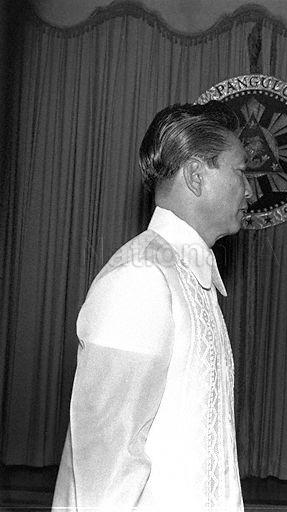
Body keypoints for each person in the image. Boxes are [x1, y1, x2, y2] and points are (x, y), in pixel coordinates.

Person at [53, 101, 253, 510]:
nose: (249, 190)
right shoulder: (140, 276)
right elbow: (105, 460)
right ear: (196, 175)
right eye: (240, 173)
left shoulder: (185, 270)